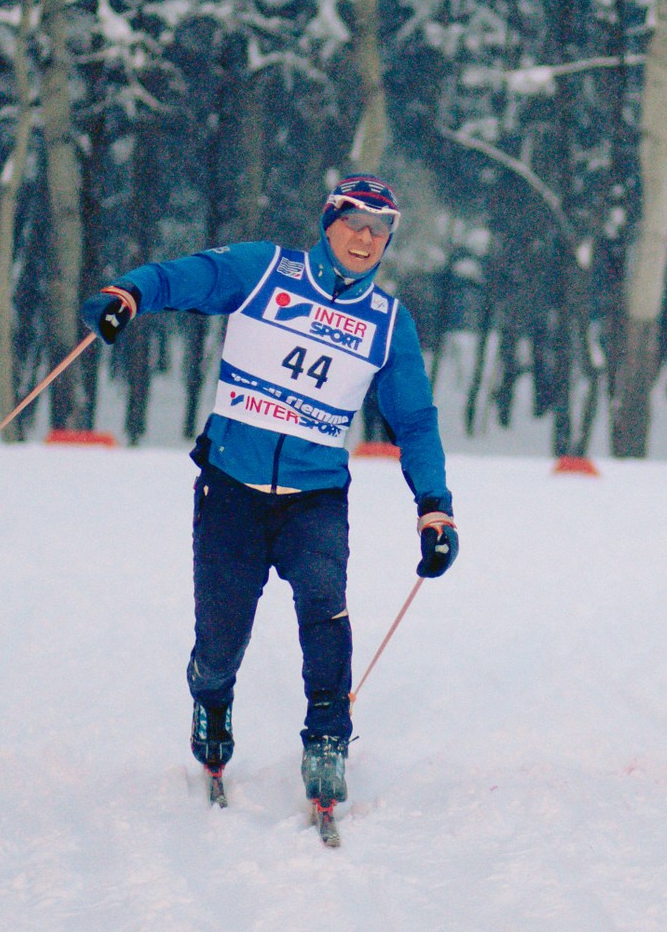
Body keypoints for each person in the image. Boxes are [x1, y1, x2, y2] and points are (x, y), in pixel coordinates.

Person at [77, 173, 458, 819]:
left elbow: (415, 421)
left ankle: (327, 740)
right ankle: (211, 697)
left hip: (315, 497)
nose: (365, 238)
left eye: (379, 230)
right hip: (232, 487)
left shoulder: (388, 323)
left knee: (325, 609)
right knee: (220, 639)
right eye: (354, 223)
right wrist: (129, 294)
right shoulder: (266, 271)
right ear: (329, 223)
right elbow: (186, 278)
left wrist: (434, 504)